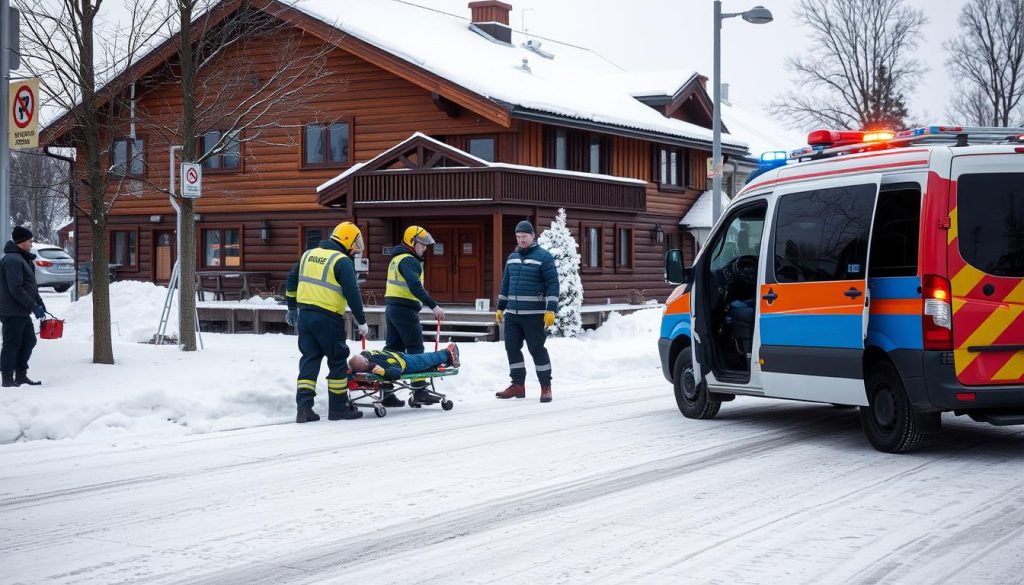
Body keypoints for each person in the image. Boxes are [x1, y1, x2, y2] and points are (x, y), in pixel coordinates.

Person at [285, 221, 369, 423]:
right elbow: (352, 293)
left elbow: (291, 279)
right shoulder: (342, 261)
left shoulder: (308, 254)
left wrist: (291, 307)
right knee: (338, 360)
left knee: (309, 360)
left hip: (305, 317)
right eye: (354, 246)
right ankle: (338, 408)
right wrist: (362, 321)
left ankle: (304, 409)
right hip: (328, 318)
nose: (354, 251)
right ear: (348, 241)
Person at [495, 220, 559, 402]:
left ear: (533, 236)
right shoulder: (512, 257)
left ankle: (546, 386)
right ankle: (518, 386)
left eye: (524, 236)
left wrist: (550, 310)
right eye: (518, 236)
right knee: (511, 348)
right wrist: (500, 307)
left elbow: (553, 285)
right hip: (513, 315)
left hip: (534, 315)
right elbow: (506, 283)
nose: (521, 240)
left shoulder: (544, 257)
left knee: (537, 349)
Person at [383, 225, 445, 407]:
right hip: (404, 309)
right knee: (415, 347)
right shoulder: (409, 260)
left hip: (392, 308)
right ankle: (419, 391)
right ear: (412, 242)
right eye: (422, 244)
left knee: (392, 350)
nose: (425, 248)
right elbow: (415, 286)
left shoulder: (397, 258)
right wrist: (433, 305)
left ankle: (386, 393)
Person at [0, 226, 46, 388]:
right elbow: (16, 288)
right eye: (30, 240)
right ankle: (7, 378)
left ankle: (20, 375)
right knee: (12, 343)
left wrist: (39, 302)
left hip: (21, 310)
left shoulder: (22, 258)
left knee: (29, 341)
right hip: (12, 310)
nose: (32, 243)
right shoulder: (12, 260)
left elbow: (29, 286)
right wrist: (33, 306)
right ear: (22, 242)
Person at [348, 342, 460, 387]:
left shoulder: (371, 359)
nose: (366, 360)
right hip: (403, 360)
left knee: (425, 359)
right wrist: (383, 372)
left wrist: (383, 371)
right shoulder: (367, 356)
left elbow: (396, 372)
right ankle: (445, 356)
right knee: (425, 360)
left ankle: (447, 354)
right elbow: (396, 372)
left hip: (402, 361)